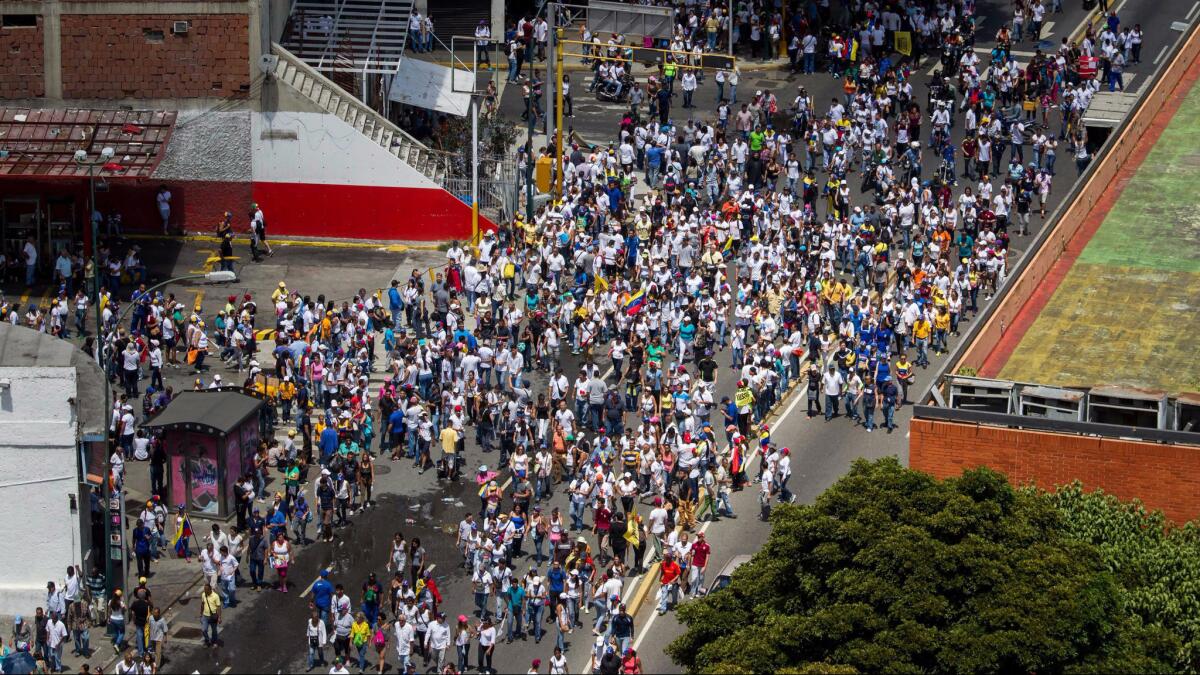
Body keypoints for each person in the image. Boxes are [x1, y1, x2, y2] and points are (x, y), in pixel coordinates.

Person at [199, 581, 222, 647]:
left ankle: (214, 641)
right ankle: (207, 640)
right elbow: (202, 604)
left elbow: (218, 607)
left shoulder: (215, 596)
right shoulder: (203, 594)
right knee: (203, 630)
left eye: (206, 590)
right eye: (204, 590)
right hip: (205, 616)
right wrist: (201, 613)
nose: (205, 591)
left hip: (213, 616)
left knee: (214, 630)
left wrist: (219, 617)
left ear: (210, 589)